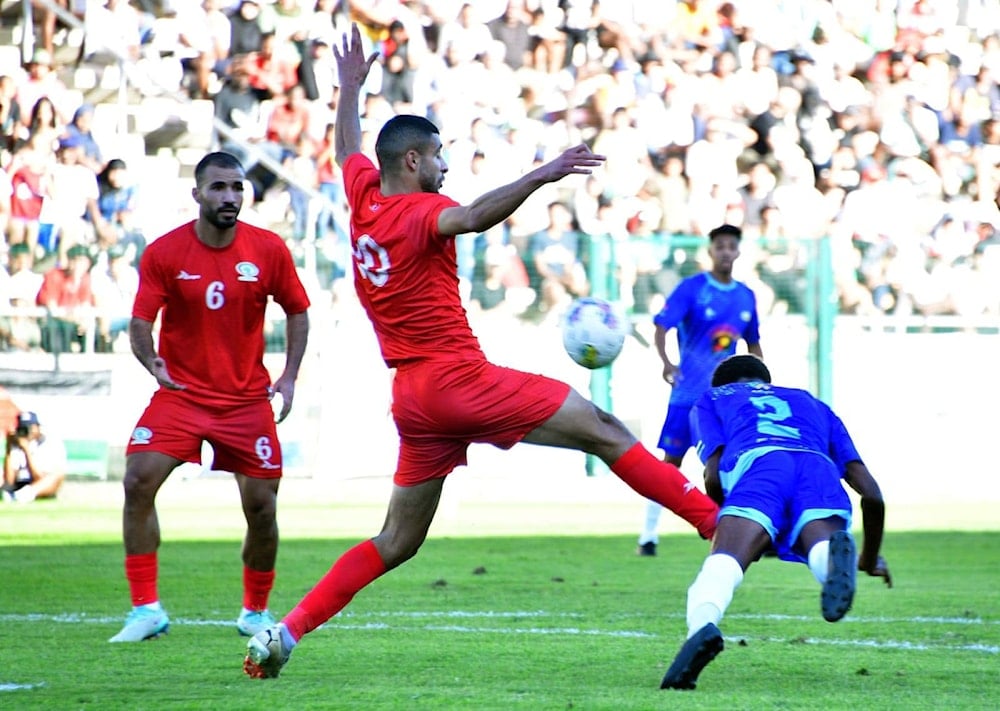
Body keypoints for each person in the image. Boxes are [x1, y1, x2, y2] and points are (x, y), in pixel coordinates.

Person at [242, 24, 720, 680]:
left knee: (396, 541)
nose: (445, 167)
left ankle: (286, 631)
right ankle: (714, 524)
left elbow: (348, 146)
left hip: (413, 399)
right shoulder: (418, 212)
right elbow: (467, 217)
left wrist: (349, 87)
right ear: (412, 162)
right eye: (437, 156)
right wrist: (545, 173)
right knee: (606, 430)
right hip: (456, 379)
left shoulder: (362, 197)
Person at [109, 151, 311, 643]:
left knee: (262, 508)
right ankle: (145, 609)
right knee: (138, 481)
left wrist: (288, 377)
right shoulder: (164, 252)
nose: (230, 197)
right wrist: (150, 360)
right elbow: (140, 322)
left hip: (246, 401)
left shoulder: (268, 249)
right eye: (219, 188)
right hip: (181, 395)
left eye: (237, 188)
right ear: (197, 193)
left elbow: (298, 311)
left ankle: (255, 612)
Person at [660, 354, 892, 690]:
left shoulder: (711, 399)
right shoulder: (811, 402)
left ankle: (702, 628)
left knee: (723, 564)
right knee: (819, 543)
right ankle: (830, 560)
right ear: (765, 382)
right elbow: (872, 493)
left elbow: (713, 471)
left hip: (758, 464)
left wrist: (727, 518)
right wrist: (869, 560)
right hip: (817, 468)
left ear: (722, 384)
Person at [637, 224, 763, 557]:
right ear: (710, 250)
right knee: (669, 465)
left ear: (737, 252)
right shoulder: (692, 288)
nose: (725, 252)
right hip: (688, 396)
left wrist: (762, 384)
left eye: (731, 246)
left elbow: (753, 344)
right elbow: (662, 325)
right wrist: (667, 363)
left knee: (732, 464)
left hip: (726, 400)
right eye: (719, 246)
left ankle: (736, 533)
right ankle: (648, 536)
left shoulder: (745, 296)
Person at [2, 411, 66, 503]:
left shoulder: (50, 444)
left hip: (37, 485)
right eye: (22, 428)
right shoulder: (18, 443)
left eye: (30, 428)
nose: (27, 432)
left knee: (57, 474)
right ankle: (11, 495)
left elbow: (39, 477)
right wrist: (9, 449)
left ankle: (24, 495)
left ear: (38, 428)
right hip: (19, 483)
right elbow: (9, 480)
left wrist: (26, 450)